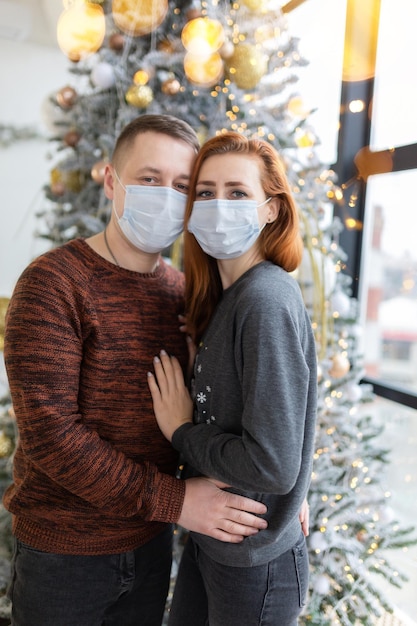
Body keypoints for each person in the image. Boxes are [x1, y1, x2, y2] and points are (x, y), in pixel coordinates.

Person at [3, 115, 268, 626]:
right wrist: (176, 502)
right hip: (65, 557)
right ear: (111, 180)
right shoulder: (53, 284)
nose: (165, 197)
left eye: (182, 187)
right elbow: (52, 438)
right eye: (149, 179)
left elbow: (222, 404)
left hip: (151, 546)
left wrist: (278, 487)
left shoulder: (185, 292)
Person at [147, 131, 318, 626]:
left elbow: (272, 465)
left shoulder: (265, 300)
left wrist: (181, 431)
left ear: (271, 209)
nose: (218, 206)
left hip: (254, 565)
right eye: (205, 192)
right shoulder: (230, 300)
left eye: (237, 193)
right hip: (215, 547)